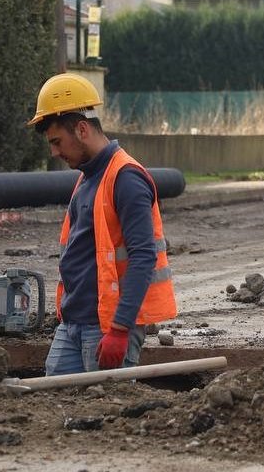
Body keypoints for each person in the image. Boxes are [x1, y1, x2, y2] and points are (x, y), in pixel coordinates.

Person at [28, 73, 177, 375]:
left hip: (107, 327)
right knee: (55, 409)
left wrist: (120, 329)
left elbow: (143, 257)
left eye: (57, 141)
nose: (54, 152)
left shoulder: (126, 177)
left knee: (103, 413)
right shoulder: (88, 177)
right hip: (72, 324)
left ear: (81, 129)